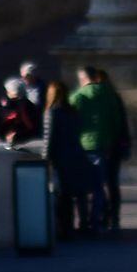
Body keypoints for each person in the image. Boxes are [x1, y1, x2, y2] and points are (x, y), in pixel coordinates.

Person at [71, 66, 127, 231]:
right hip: (103, 145)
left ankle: (83, 221)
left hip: (82, 145)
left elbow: (71, 121)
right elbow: (117, 122)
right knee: (99, 186)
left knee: (81, 186)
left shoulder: (78, 96)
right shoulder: (109, 95)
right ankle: (97, 221)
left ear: (82, 79)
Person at [41, 81, 95, 239]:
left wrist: (46, 159)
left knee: (62, 195)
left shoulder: (51, 112)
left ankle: (64, 228)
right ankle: (82, 225)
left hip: (61, 159)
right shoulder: (72, 112)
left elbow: (48, 139)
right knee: (77, 193)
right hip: (77, 156)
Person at [0, 77, 41, 144]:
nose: (6, 93)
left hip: (24, 143)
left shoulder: (24, 106)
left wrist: (16, 136)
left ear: (14, 93)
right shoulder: (14, 104)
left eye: (8, 91)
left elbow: (30, 126)